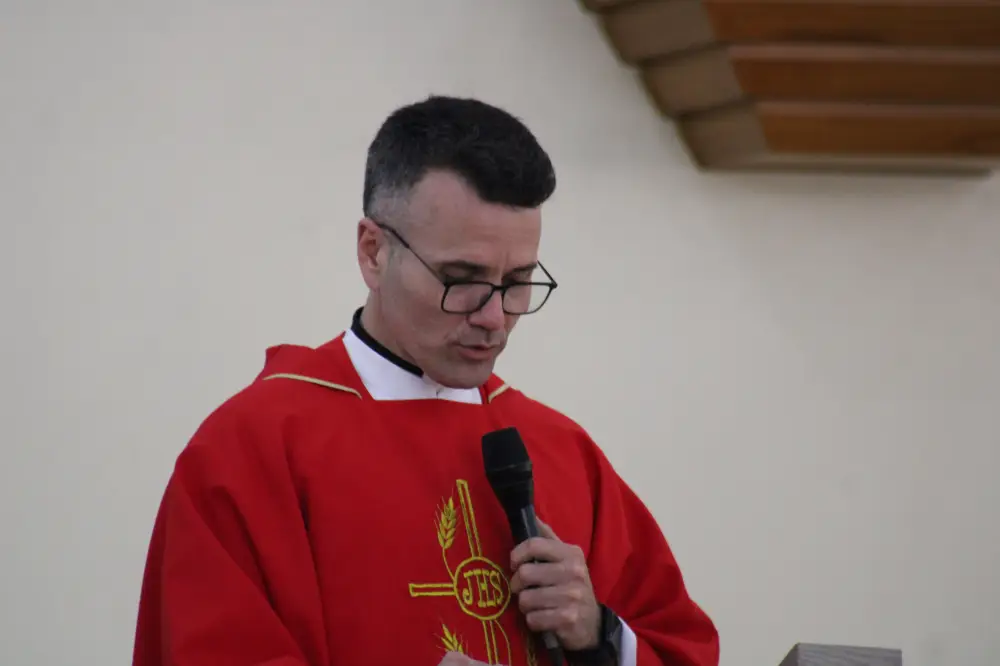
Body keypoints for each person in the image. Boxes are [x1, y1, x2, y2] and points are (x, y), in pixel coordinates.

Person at [132, 95, 720, 666]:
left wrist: (598, 635)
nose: (494, 317)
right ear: (373, 252)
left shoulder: (562, 451)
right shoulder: (252, 449)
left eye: (517, 282)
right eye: (462, 278)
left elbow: (678, 646)